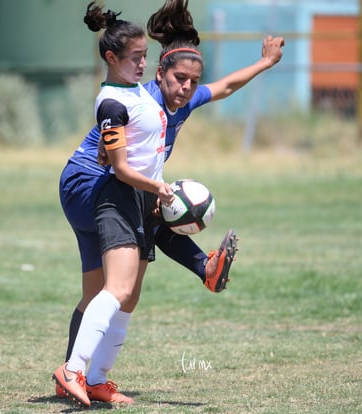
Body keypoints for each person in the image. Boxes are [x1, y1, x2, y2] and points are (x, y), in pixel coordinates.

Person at [55, 0, 284, 405]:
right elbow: (115, 154)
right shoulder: (137, 100)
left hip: (119, 186)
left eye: (192, 83)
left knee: (104, 293)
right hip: (88, 182)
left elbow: (226, 86)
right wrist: (149, 185)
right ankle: (204, 267)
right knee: (145, 235)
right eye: (178, 79)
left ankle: (82, 377)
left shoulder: (183, 99)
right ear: (159, 73)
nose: (186, 89)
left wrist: (265, 63)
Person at [52, 2, 174, 408]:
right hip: (120, 197)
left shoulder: (134, 90)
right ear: (111, 58)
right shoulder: (111, 102)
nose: (143, 64)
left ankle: (99, 380)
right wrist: (159, 187)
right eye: (135, 58)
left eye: (145, 56)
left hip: (138, 198)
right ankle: (73, 369)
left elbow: (115, 152)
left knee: (129, 296)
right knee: (116, 288)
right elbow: (120, 169)